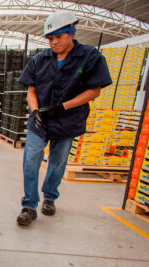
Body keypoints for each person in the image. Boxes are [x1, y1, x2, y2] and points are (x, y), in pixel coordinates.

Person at [16, 10, 112, 226]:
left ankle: (49, 197)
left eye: (58, 37)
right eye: (50, 38)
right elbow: (31, 90)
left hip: (68, 119)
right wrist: (34, 111)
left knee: (58, 162)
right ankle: (29, 205)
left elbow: (94, 90)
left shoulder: (89, 57)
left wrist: (62, 106)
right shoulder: (40, 59)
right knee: (31, 160)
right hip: (40, 120)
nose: (54, 42)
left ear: (71, 33)